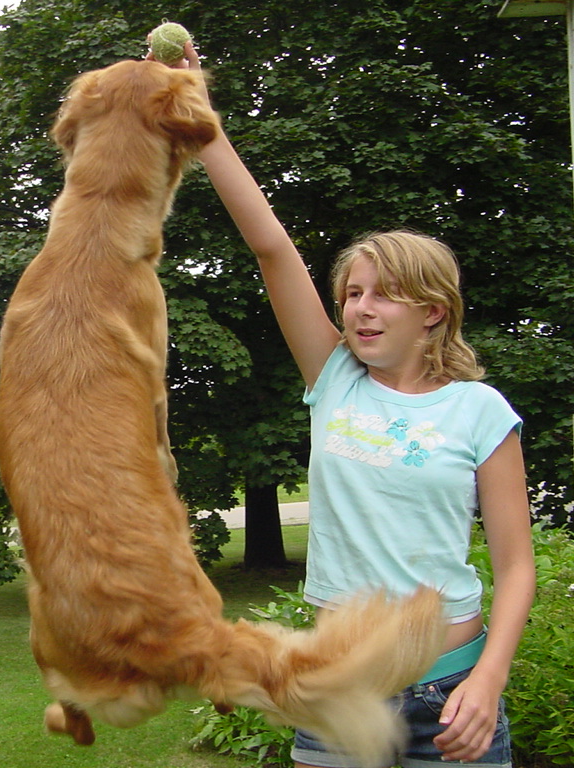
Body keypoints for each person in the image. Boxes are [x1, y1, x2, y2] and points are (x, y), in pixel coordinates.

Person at [157, 42, 537, 768]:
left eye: (383, 293)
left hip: (451, 693)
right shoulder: (335, 377)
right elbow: (270, 247)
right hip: (337, 696)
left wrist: (489, 681)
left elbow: (517, 567)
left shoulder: (480, 411)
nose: (362, 309)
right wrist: (201, 120)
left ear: (432, 311)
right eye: (352, 294)